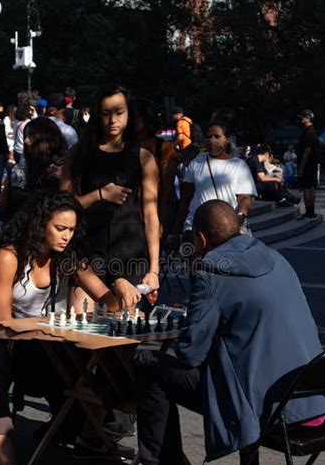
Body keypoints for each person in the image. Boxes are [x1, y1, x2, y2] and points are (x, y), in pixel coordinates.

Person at [108, 200, 325, 465]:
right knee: (239, 361)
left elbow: (190, 354)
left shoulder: (212, 268)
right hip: (311, 404)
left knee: (150, 365)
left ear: (200, 239)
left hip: (273, 410)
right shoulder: (276, 257)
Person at [0, 191, 141, 465]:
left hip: (44, 341)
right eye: (60, 228)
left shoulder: (70, 257)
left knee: (105, 365)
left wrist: (121, 285)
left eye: (72, 230)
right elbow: (2, 320)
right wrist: (56, 327)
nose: (66, 236)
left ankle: (90, 438)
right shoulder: (8, 255)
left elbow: (107, 300)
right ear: (39, 224)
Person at [61, 84, 160, 307]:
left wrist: (154, 269)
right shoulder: (79, 153)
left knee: (124, 334)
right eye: (106, 113)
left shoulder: (143, 157)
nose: (112, 120)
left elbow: (151, 215)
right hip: (87, 251)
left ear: (129, 115)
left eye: (119, 112)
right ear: (97, 115)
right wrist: (98, 195)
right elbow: (61, 208)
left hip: (130, 253)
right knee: (79, 331)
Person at [172, 122, 256, 245]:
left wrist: (239, 218)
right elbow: (185, 200)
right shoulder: (195, 164)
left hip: (227, 229)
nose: (212, 140)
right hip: (196, 229)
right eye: (208, 137)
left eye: (217, 136)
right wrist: (176, 232)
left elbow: (245, 198)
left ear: (226, 140)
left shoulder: (239, 165)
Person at [0, 116, 68, 223]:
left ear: (45, 138)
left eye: (31, 136)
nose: (26, 141)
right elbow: (7, 211)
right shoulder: (21, 170)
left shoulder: (64, 167)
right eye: (26, 136)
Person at [135, 98, 178, 239]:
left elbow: (168, 190)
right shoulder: (122, 147)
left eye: (136, 117)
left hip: (154, 211)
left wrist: (162, 222)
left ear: (147, 120)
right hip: (127, 216)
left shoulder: (164, 148)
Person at [297, 110, 320, 220]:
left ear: (308, 118)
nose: (301, 118)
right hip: (313, 163)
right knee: (311, 188)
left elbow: (307, 150)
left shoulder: (307, 132)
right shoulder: (313, 131)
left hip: (307, 164)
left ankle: (308, 211)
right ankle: (311, 212)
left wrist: (301, 167)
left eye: (303, 117)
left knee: (306, 188)